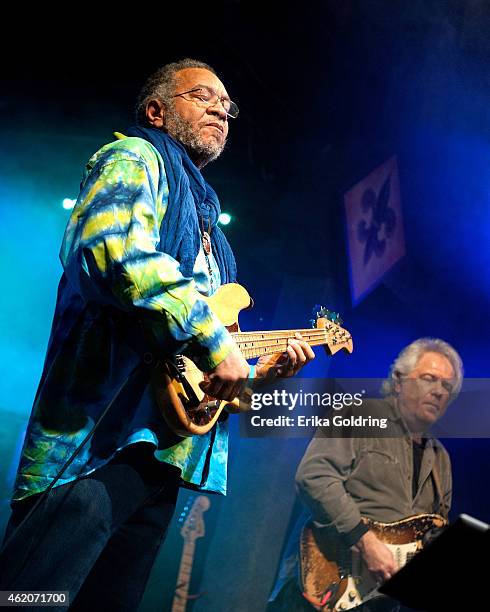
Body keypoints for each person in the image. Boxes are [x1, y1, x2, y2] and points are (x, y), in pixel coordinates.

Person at [0, 58, 315, 610]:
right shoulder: (135, 156)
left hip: (163, 459)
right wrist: (216, 345)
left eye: (228, 104)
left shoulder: (213, 236)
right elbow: (111, 251)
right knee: (30, 599)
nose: (222, 107)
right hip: (94, 445)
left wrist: (259, 376)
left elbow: (204, 368)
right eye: (203, 95)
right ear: (157, 112)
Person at [268, 337, 463, 612]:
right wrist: (366, 542)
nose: (439, 391)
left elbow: (433, 529)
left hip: (378, 602)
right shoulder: (358, 413)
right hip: (321, 586)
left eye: (447, 386)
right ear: (399, 381)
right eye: (430, 379)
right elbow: (314, 476)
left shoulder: (441, 458)